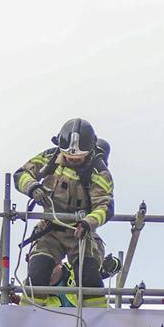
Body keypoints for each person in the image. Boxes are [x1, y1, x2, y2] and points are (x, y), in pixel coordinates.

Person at [14, 118, 115, 308]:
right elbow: (21, 174)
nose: (72, 160)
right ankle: (26, 320)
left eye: (77, 158)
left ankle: (98, 323)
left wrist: (88, 223)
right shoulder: (49, 157)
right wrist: (33, 187)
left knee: (89, 279)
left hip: (80, 233)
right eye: (68, 157)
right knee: (38, 272)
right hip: (49, 230)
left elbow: (105, 207)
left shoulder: (98, 172)